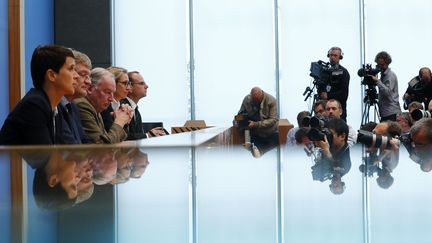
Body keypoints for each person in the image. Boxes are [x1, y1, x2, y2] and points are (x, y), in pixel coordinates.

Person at [0, 45, 78, 145]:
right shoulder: (34, 105)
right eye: (71, 69)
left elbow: (70, 147)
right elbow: (45, 157)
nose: (76, 76)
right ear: (51, 75)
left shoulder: (57, 107)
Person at [75, 67, 132, 144]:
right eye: (107, 92)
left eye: (112, 93)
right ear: (90, 89)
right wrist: (120, 122)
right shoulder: (83, 105)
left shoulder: (96, 107)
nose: (111, 99)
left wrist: (124, 122)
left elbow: (114, 140)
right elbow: (102, 147)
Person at [58, 49, 92, 144]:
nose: (88, 82)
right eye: (83, 75)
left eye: (89, 76)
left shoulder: (72, 105)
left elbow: (85, 140)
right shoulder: (51, 105)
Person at [121, 71, 166, 140]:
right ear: (129, 87)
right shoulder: (122, 107)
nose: (147, 86)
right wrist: (147, 135)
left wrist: (147, 134)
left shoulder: (136, 110)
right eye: (142, 83)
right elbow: (123, 137)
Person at [235, 87, 279, 155]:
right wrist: (237, 121)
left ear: (262, 96)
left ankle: (260, 152)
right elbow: (240, 114)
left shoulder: (271, 100)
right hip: (255, 133)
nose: (254, 102)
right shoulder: (247, 99)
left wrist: (256, 124)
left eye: (257, 100)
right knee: (255, 152)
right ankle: (258, 152)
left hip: (271, 133)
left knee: (274, 143)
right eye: (253, 99)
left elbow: (273, 119)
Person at [318, 47, 350, 121]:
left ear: (340, 57)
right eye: (330, 55)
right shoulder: (324, 72)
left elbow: (344, 94)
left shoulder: (344, 72)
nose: (332, 57)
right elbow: (320, 87)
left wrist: (328, 96)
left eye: (335, 55)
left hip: (338, 112)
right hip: (324, 111)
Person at [370, 51, 401, 121]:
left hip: (391, 112)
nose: (380, 67)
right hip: (385, 112)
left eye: (382, 65)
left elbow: (388, 92)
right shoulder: (382, 75)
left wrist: (377, 81)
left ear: (387, 63)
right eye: (378, 64)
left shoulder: (390, 75)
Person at [101, 66, 132, 131]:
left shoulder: (123, 105)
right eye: (124, 83)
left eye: (128, 83)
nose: (129, 88)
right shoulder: (103, 106)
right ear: (112, 83)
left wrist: (126, 122)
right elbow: (109, 136)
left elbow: (124, 137)